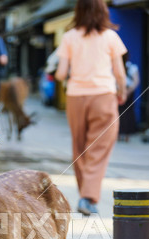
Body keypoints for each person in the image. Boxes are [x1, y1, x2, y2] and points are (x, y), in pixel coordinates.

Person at [55, 0, 127, 216]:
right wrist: (122, 92)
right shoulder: (110, 37)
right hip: (103, 95)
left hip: (76, 97)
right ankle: (88, 197)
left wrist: (72, 77)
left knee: (79, 147)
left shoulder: (69, 37)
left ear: (78, 11)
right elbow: (120, 73)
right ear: (102, 11)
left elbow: (60, 73)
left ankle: (85, 195)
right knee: (100, 146)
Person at [118, 52, 140, 141]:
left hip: (128, 91)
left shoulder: (132, 67)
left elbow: (136, 81)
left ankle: (127, 135)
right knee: (119, 113)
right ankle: (119, 134)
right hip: (121, 90)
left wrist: (127, 92)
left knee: (128, 113)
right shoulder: (118, 66)